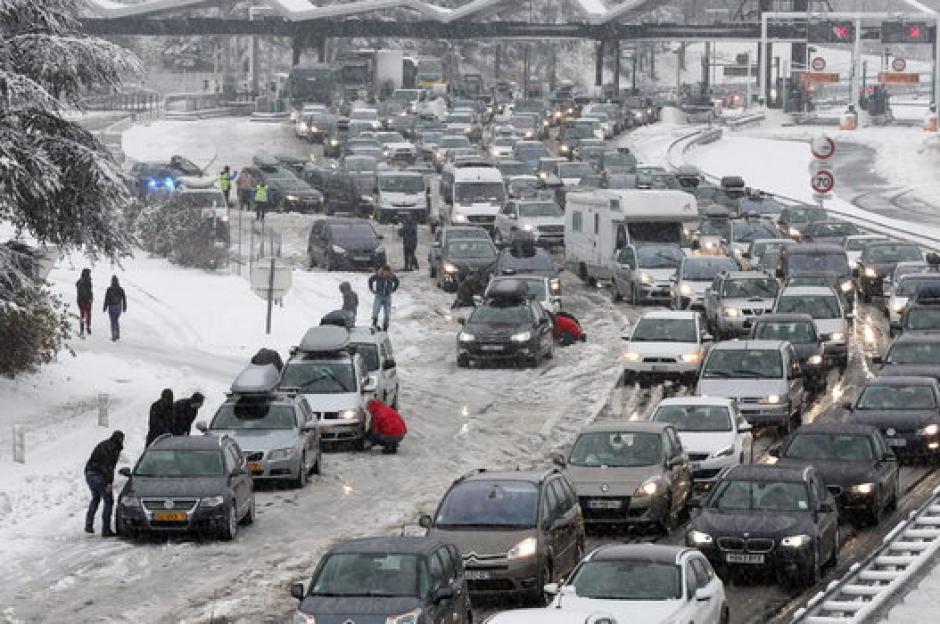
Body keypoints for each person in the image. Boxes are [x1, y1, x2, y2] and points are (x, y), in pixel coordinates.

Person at [84, 430, 124, 536]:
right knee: (109, 501)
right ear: (120, 439)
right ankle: (106, 529)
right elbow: (109, 466)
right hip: (99, 476)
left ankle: (88, 524)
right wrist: (109, 482)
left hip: (89, 473)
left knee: (96, 498)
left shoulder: (103, 444)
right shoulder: (114, 448)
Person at [368, 265, 399, 331]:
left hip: (387, 296)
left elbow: (397, 281)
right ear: (382, 271)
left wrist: (394, 289)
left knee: (387, 312)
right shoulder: (378, 276)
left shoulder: (391, 276)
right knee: (376, 309)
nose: (386, 274)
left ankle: (385, 325)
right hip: (379, 296)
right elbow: (370, 280)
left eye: (387, 272)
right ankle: (374, 322)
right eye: (385, 272)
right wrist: (372, 289)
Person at [102, 275, 127, 342]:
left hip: (111, 307)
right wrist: (124, 307)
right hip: (118, 307)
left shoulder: (109, 289)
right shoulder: (121, 289)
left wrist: (104, 307)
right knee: (116, 320)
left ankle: (114, 335)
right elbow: (124, 299)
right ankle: (117, 334)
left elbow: (106, 299)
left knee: (113, 321)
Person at [75, 268, 93, 337]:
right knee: (88, 314)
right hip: (87, 301)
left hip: (80, 301)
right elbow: (89, 291)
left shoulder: (79, 281)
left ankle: (82, 330)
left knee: (82, 315)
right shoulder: (88, 281)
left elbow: (77, 287)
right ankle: (88, 327)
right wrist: (90, 298)